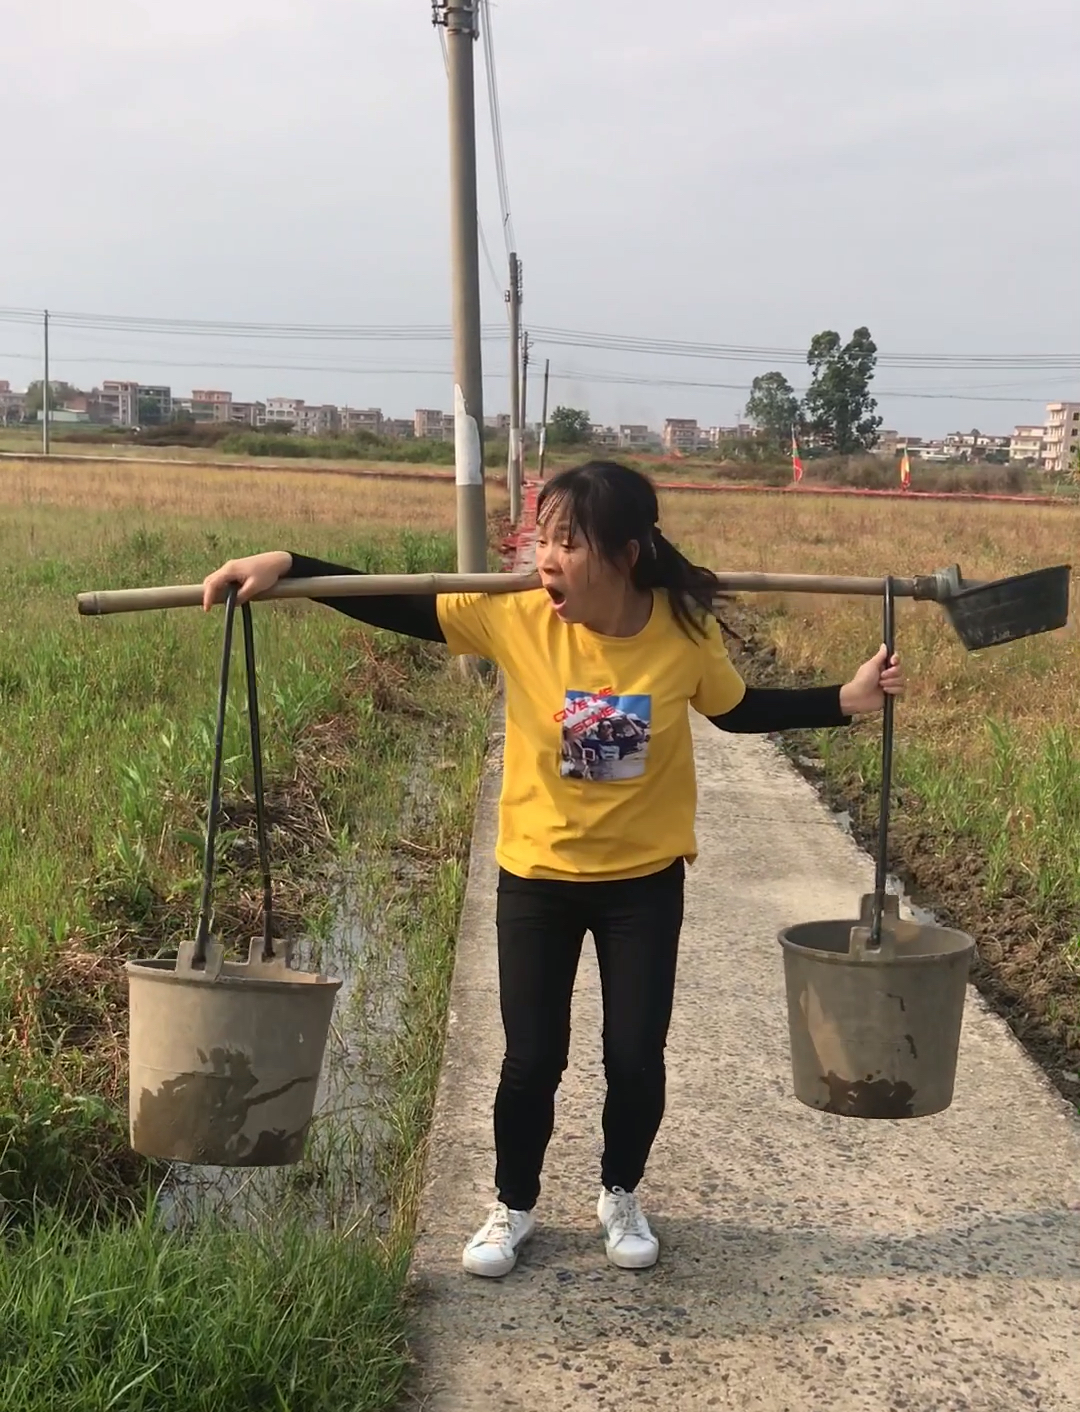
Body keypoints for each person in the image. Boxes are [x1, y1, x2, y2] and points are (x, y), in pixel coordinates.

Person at [202, 460, 902, 1281]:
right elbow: (395, 600)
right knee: (532, 1058)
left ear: (627, 554)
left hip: (643, 882)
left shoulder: (681, 633)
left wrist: (843, 700)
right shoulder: (515, 616)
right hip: (536, 876)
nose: (548, 558)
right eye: (544, 537)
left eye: (569, 542)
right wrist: (289, 567)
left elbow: (737, 709)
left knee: (636, 1055)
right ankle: (513, 1203)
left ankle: (620, 1192)